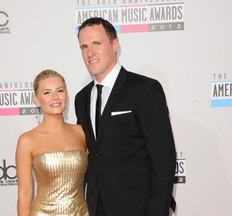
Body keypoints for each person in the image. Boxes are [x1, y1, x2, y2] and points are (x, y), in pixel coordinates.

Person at [74, 17, 176, 216]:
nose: (90, 53)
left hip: (137, 208)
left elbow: (163, 160)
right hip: (96, 208)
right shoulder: (82, 98)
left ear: (115, 44)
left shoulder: (144, 90)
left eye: (97, 43)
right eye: (84, 46)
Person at [15, 69, 89, 216]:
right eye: (47, 92)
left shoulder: (82, 132)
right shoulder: (27, 140)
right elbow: (24, 196)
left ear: (66, 95)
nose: (55, 97)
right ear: (36, 99)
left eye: (59, 91)